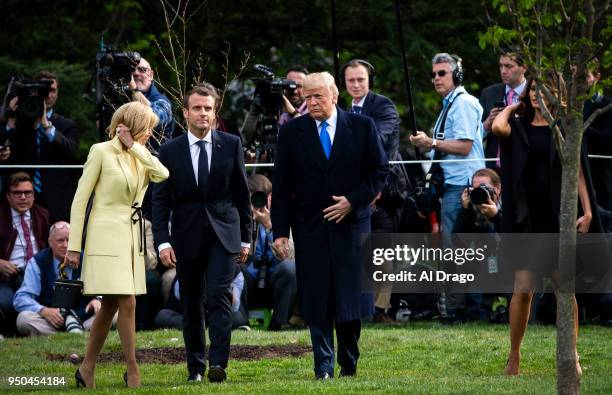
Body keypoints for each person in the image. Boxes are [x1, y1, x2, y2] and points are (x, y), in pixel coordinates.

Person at [272, 72, 389, 379]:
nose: (311, 103)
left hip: (351, 226)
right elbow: (282, 187)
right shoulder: (292, 131)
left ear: (334, 95)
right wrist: (280, 232)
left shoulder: (362, 127)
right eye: (306, 97)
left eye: (318, 96)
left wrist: (353, 200)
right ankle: (322, 366)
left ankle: (348, 364)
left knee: (349, 299)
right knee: (316, 296)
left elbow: (379, 172)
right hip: (310, 227)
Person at [492, 72, 599, 376]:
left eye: (547, 90)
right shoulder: (519, 125)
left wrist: (588, 210)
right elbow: (498, 127)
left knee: (565, 290)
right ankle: (514, 355)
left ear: (558, 94)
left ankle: (572, 356)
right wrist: (513, 106)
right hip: (528, 218)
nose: (540, 95)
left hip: (558, 216)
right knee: (523, 289)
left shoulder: (565, 127)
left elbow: (577, 169)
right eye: (535, 89)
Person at [64, 101, 169, 388]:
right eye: (146, 128)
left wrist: (134, 146)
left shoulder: (140, 154)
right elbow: (80, 199)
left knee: (111, 304)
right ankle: (133, 370)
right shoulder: (100, 151)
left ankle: (86, 368)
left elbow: (163, 174)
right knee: (128, 301)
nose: (150, 133)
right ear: (133, 125)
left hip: (131, 240)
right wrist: (74, 246)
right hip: (105, 237)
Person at [152, 84, 252, 383]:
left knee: (218, 294)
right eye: (197, 108)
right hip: (186, 235)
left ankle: (218, 363)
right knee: (191, 302)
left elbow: (242, 195)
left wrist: (246, 238)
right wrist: (162, 242)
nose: (203, 113)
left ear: (214, 111)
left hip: (225, 234)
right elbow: (159, 201)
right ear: (185, 112)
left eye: (208, 108)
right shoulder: (169, 150)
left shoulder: (231, 144)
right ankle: (195, 366)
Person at [342, 58, 402, 323]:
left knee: (381, 250)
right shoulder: (344, 110)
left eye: (360, 80)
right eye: (350, 80)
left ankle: (381, 310)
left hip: (383, 189)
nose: (355, 85)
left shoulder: (383, 106)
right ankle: (356, 306)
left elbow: (378, 138)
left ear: (370, 81)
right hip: (352, 190)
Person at [409, 53, 485, 235]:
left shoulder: (462, 103)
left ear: (457, 75)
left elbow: (464, 147)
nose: (436, 78)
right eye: (433, 74)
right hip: (454, 184)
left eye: (442, 73)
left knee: (457, 247)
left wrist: (430, 142)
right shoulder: (451, 104)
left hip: (462, 186)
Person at [1, 71, 80, 223]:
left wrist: (47, 126)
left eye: (52, 90)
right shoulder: (20, 122)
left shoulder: (66, 124)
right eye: (43, 90)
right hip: (22, 196)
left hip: (57, 199)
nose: (48, 95)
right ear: (34, 91)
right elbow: (5, 151)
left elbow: (72, 151)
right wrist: (11, 117)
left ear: (57, 93)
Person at [13, 221, 102, 336]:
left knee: (114, 313)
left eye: (70, 240)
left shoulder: (86, 259)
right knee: (23, 319)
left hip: (84, 317)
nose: (65, 245)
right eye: (60, 240)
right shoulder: (38, 262)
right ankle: (75, 333)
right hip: (52, 321)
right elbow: (21, 298)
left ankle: (69, 332)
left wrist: (98, 299)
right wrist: (43, 310)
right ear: (50, 242)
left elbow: (104, 286)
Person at [244, 174, 297, 330]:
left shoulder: (285, 217)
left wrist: (269, 227)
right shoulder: (242, 219)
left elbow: (290, 256)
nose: (256, 204)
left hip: (276, 282)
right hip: (251, 281)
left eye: (260, 198)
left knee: (289, 268)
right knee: (235, 269)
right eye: (251, 199)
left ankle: (279, 322)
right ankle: (239, 321)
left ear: (270, 197)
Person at [0, 172, 49, 336]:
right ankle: (12, 334)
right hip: (7, 276)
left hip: (36, 274)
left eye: (28, 193)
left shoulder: (42, 214)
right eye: (17, 193)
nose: (23, 197)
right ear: (8, 196)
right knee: (8, 303)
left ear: (34, 195)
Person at [480, 48, 528, 171]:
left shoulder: (533, 93)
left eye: (508, 66)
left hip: (526, 166)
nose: (503, 71)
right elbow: (474, 136)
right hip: (495, 167)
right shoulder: (489, 93)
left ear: (524, 67)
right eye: (501, 66)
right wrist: (488, 123)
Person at [130, 57, 175, 150]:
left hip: (155, 161)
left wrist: (134, 90)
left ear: (150, 75)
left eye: (141, 70)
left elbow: (155, 118)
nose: (136, 73)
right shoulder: (121, 97)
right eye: (131, 69)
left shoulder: (162, 101)